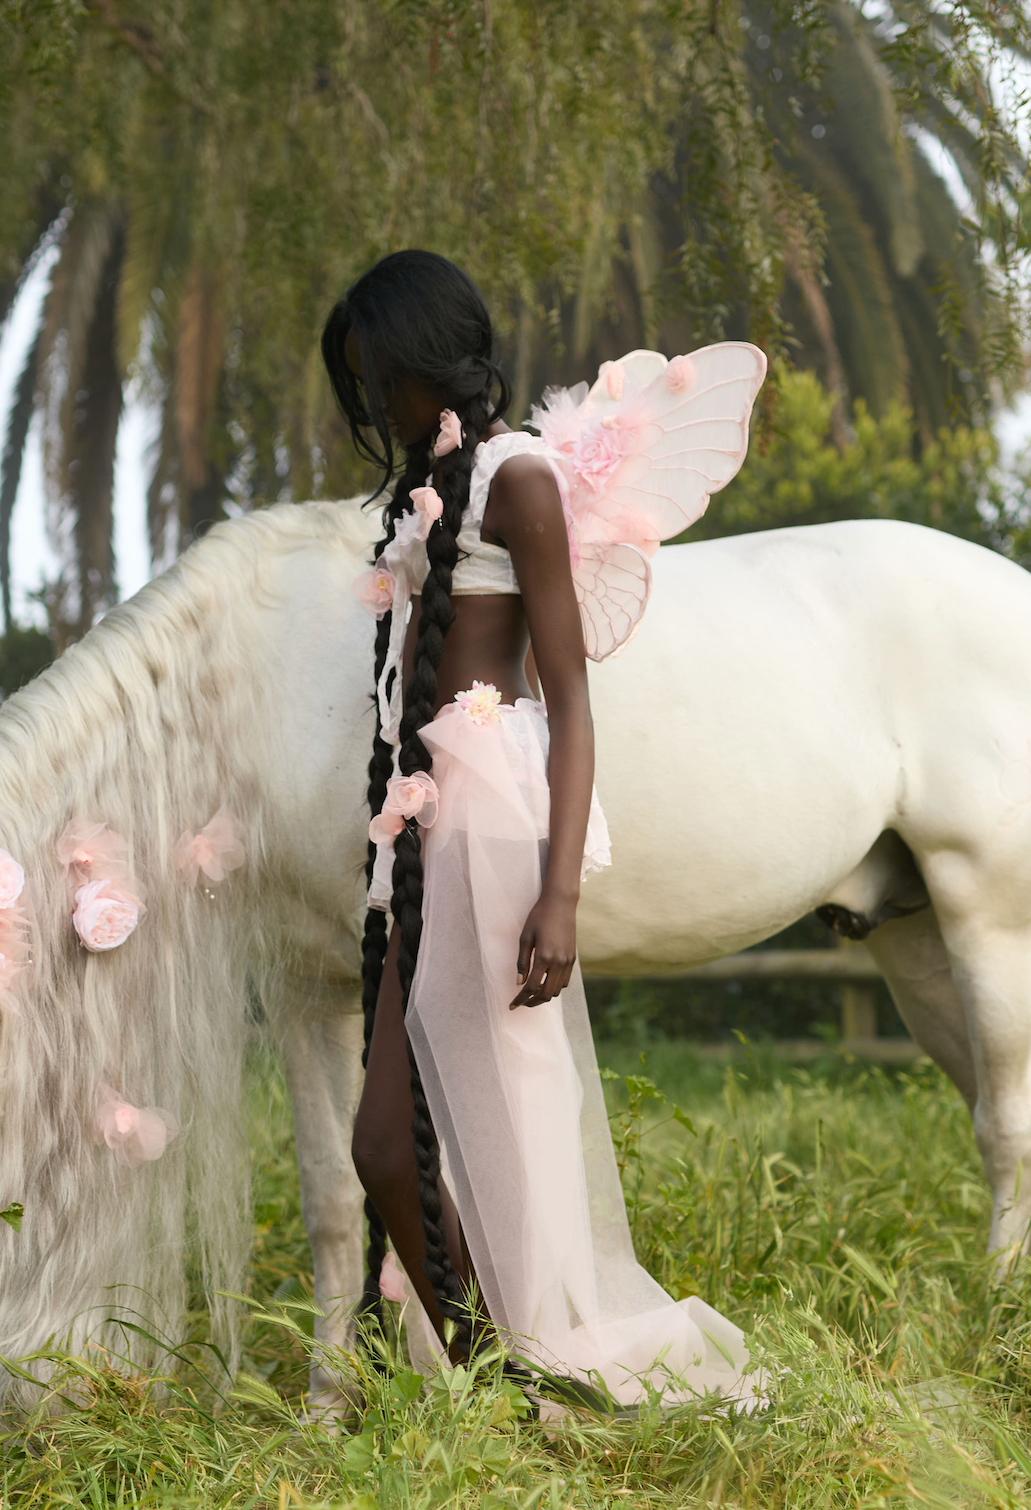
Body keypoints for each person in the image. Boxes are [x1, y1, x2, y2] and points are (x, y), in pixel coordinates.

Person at [320, 249, 760, 1408]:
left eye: (380, 377)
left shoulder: (515, 478)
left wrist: (559, 894)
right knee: (393, 1138)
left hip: (490, 812)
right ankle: (495, 1373)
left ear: (430, 360)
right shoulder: (431, 480)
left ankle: (518, 1374)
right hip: (421, 824)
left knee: (493, 1116)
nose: (373, 404)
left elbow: (568, 696)